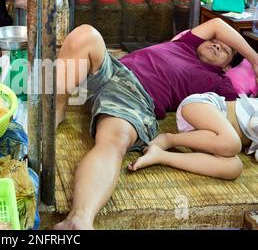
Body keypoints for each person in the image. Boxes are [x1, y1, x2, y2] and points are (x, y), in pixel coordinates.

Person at [54, 18, 258, 230]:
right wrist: (255, 59)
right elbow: (217, 24)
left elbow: (236, 121)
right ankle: (58, 111)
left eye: (226, 50)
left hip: (136, 98)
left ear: (227, 67)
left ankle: (79, 219)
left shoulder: (221, 85)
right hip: (114, 68)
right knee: (85, 34)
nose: (218, 44)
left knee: (113, 142)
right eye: (215, 41)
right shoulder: (185, 43)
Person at [128, 91, 258, 180]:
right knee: (232, 144)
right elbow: (254, 124)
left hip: (209, 139)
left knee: (234, 168)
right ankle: (170, 139)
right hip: (203, 106)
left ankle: (161, 156)